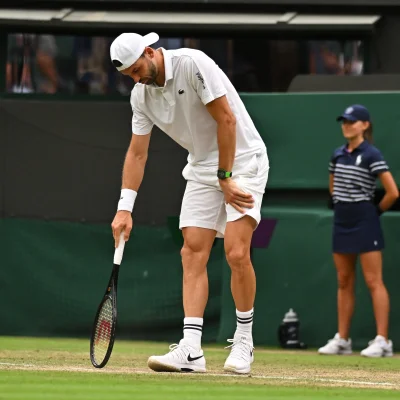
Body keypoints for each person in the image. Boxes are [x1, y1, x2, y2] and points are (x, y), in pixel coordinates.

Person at [109, 32, 269, 374]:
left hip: (242, 162)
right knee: (192, 251)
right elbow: (137, 153)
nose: (136, 80)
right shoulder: (141, 96)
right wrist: (125, 207)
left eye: (137, 70)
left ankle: (243, 341)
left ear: (150, 53)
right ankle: (192, 350)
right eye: (130, 77)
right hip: (200, 168)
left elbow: (226, 119)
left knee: (237, 253)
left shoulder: (193, 64)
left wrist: (226, 176)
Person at [319, 104, 399, 357]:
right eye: (344, 121)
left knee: (373, 280)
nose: (347, 125)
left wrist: (374, 212)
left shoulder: (373, 154)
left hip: (365, 220)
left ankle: (383, 341)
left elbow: (393, 192)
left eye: (352, 121)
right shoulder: (337, 154)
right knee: (344, 281)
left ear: (365, 125)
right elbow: (332, 186)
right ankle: (343, 339)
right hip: (342, 219)